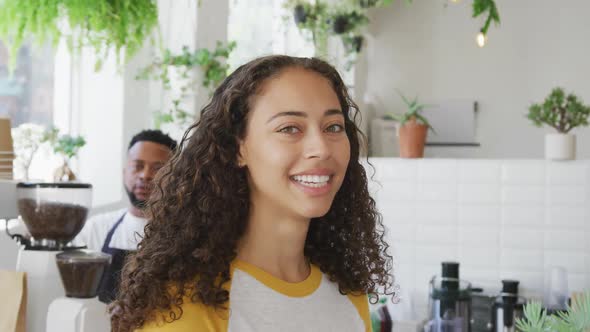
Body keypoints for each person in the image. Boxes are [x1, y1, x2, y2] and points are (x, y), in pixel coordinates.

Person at [110, 55, 394, 332]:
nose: (321, 148)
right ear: (238, 148)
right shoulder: (184, 310)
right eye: (290, 128)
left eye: (333, 127)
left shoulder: (348, 295)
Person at [76, 129, 177, 303]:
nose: (145, 175)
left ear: (174, 177)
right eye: (138, 166)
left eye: (158, 168)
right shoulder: (95, 229)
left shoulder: (182, 234)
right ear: (124, 172)